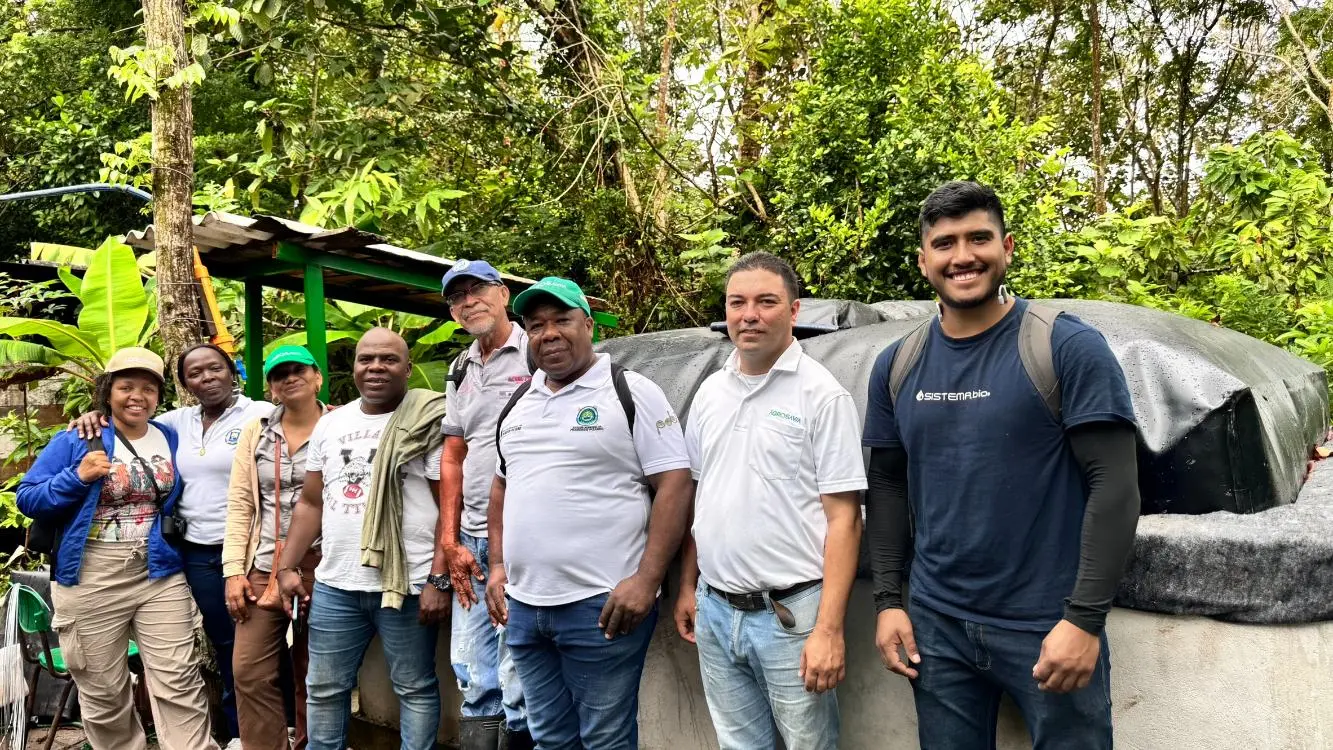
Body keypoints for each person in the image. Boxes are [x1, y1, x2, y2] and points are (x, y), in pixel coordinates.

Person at [863, 181, 1140, 749]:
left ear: (1007, 247)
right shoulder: (898, 363)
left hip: (1048, 622)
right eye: (944, 243)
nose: (962, 256)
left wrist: (1084, 621)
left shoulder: (1064, 347)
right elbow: (888, 485)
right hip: (936, 627)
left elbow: (1115, 484)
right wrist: (890, 602)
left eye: (978, 238)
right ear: (923, 261)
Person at [483, 277, 694, 749]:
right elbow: (501, 486)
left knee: (605, 740)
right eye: (536, 325)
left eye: (562, 320)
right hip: (525, 607)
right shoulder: (519, 402)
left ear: (589, 326)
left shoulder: (629, 391)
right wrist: (496, 566)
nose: (549, 333)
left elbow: (675, 484)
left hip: (600, 606)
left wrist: (646, 580)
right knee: (550, 739)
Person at [673, 251, 867, 749]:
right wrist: (689, 586)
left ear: (795, 310)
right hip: (715, 612)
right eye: (737, 302)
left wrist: (828, 629)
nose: (749, 314)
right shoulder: (711, 393)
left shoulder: (822, 396)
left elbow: (845, 519)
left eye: (766, 301)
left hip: (790, 616)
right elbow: (702, 495)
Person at [18, 348, 219, 750]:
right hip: (91, 575)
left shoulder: (170, 435)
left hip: (158, 572)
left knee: (178, 679)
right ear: (108, 391)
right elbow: (28, 497)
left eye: (148, 388)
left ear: (158, 395)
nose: (136, 397)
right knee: (103, 690)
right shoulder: (77, 437)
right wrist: (77, 477)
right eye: (126, 387)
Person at [73, 342, 273, 744]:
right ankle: (238, 736)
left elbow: (304, 424)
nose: (206, 377)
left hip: (250, 550)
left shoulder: (260, 413)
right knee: (224, 645)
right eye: (194, 372)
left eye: (215, 368)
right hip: (194, 552)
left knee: (255, 649)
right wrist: (92, 418)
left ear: (231, 371)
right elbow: (128, 420)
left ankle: (267, 734)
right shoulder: (173, 423)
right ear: (184, 383)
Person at [276, 328, 449, 750]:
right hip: (338, 585)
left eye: (388, 360)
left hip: (405, 583)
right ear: (352, 366)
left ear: (408, 368)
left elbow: (449, 509)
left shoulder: (429, 420)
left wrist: (438, 579)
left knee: (414, 687)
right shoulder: (332, 424)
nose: (375, 367)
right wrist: (286, 565)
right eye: (365, 359)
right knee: (324, 688)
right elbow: (311, 503)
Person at [433, 260, 534, 750]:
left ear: (504, 293)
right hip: (471, 538)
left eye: (477, 290)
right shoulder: (461, 367)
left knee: (520, 673)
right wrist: (450, 541)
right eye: (458, 297)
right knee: (473, 671)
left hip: (523, 539)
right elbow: (453, 456)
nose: (468, 301)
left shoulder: (538, 352)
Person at [223, 346, 331, 750]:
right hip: (264, 567)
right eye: (279, 374)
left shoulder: (339, 425)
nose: (290, 378)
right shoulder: (257, 430)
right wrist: (233, 570)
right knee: (249, 670)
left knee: (316, 672)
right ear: (270, 387)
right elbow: (240, 504)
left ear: (317, 376)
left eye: (298, 369)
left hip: (325, 567)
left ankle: (314, 743)